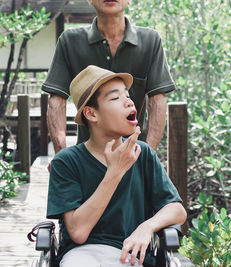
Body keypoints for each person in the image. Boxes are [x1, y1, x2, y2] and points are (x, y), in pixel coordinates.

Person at [46, 65, 186, 267]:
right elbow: (78, 232)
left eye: (127, 95)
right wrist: (115, 172)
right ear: (91, 114)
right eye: (115, 98)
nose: (128, 101)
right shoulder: (67, 162)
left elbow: (177, 210)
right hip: (81, 255)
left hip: (132, 254)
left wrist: (146, 228)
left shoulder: (143, 154)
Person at [41, 0, 176, 154]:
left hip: (135, 154)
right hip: (86, 158)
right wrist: (61, 155)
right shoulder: (70, 41)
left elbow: (158, 99)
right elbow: (57, 100)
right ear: (90, 1)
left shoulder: (150, 41)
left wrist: (147, 157)